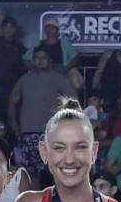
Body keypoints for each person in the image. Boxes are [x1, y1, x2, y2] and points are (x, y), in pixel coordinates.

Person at [8, 51, 78, 181]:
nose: (40, 60)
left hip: (52, 133)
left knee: (55, 172)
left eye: (43, 57)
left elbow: (73, 103)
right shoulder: (24, 79)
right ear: (32, 61)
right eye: (37, 58)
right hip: (28, 133)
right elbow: (13, 102)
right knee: (30, 174)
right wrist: (13, 123)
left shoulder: (59, 79)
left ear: (49, 60)